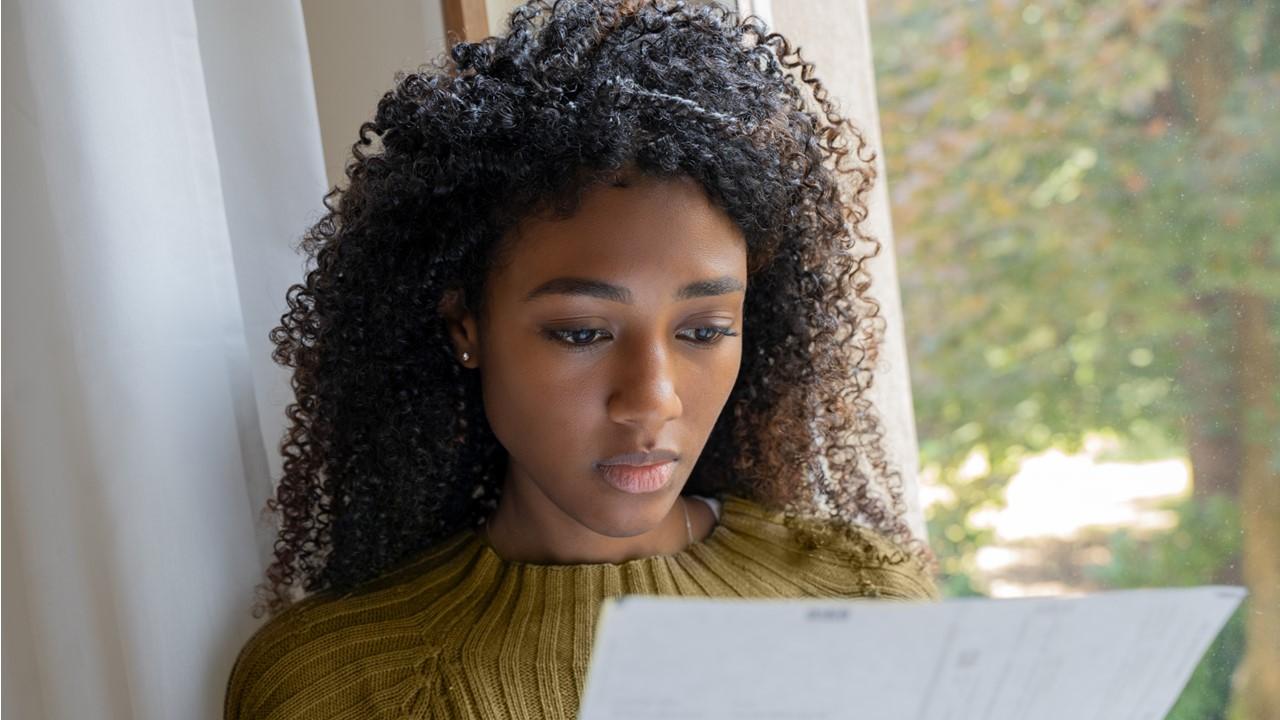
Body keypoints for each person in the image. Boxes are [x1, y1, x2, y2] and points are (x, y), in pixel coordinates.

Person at [224, 1, 941, 717]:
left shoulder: (869, 601)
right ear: (465, 326)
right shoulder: (331, 684)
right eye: (581, 333)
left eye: (703, 330)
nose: (653, 398)